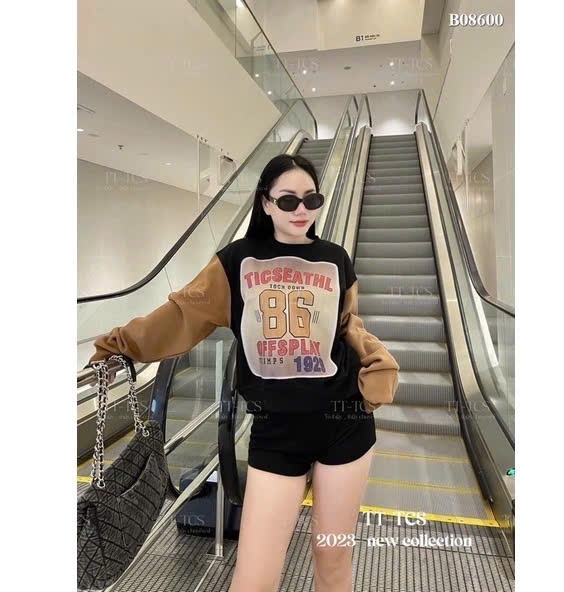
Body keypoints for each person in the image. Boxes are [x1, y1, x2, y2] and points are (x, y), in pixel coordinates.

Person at [86, 153, 400, 592]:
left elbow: (346, 326)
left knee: (332, 557)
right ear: (266, 203)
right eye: (287, 200)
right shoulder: (237, 261)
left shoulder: (335, 259)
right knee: (255, 573)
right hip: (276, 433)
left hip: (345, 424)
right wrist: (118, 345)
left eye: (311, 199)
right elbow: (182, 314)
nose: (301, 210)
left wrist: (374, 363)